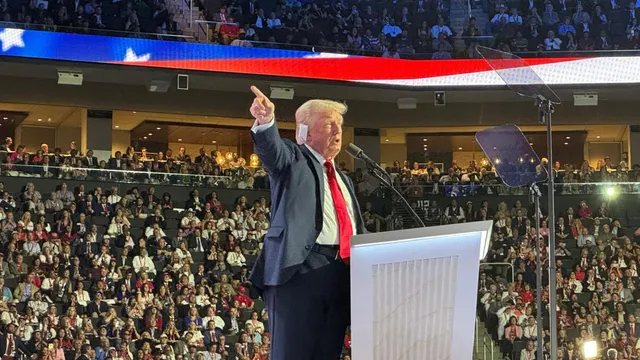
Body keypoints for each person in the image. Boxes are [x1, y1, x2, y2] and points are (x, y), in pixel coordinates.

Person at [248, 85, 365, 360]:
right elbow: (272, 151)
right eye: (329, 124)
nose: (338, 131)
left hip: (339, 273)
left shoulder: (344, 180)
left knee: (327, 352)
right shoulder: (293, 158)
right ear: (306, 131)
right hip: (298, 272)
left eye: (340, 124)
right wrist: (266, 123)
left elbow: (357, 229)